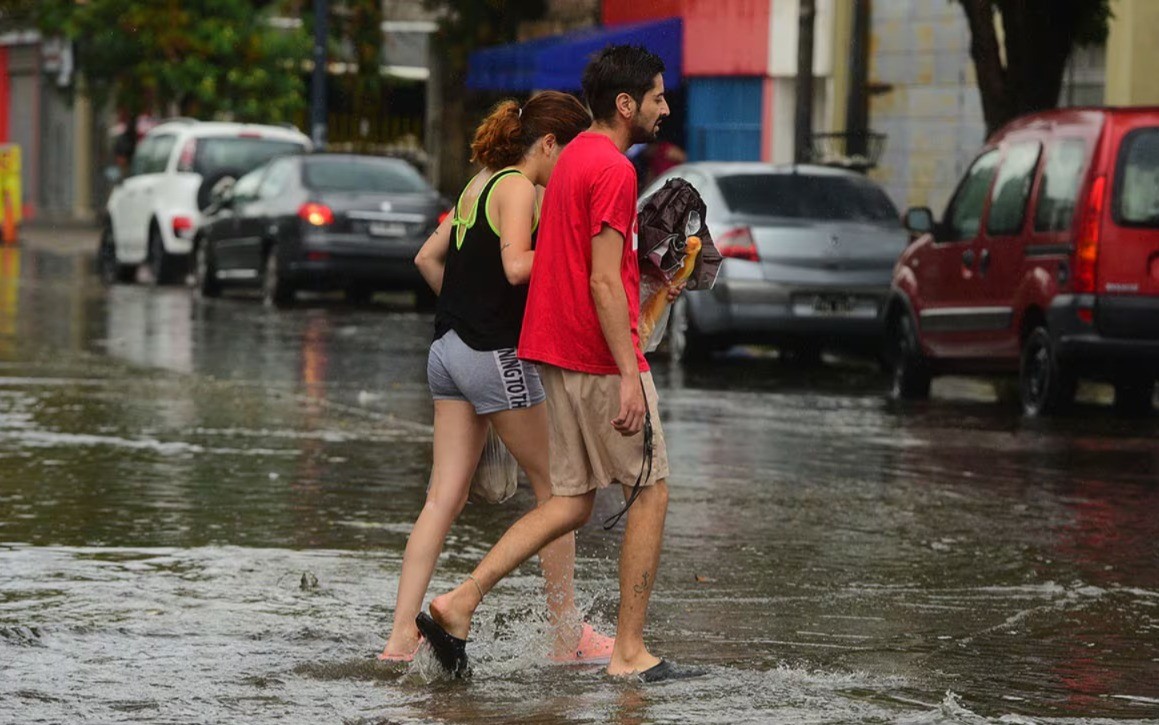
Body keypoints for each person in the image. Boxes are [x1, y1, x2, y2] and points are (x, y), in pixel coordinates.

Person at [415, 45, 703, 683]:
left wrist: (652, 286)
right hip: (598, 358)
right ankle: (629, 654)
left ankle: (457, 603)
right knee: (649, 490)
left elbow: (574, 262)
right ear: (625, 104)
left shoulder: (570, 160)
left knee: (569, 502)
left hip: (552, 355)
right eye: (657, 96)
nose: (665, 107)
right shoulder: (614, 172)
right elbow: (602, 283)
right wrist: (629, 373)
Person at [378, 91, 614, 665]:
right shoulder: (515, 187)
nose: (571, 173)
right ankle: (567, 637)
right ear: (550, 143)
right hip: (491, 356)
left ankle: (399, 641)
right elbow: (515, 266)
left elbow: (427, 260)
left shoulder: (477, 183)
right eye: (571, 156)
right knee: (559, 492)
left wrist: (464, 310)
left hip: (446, 353)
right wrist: (577, 250)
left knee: (442, 499)